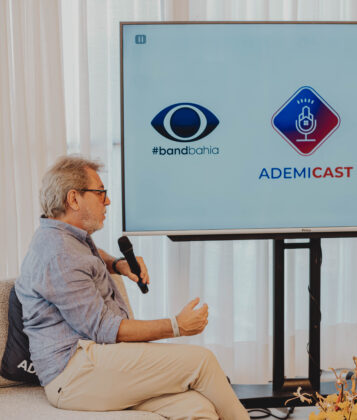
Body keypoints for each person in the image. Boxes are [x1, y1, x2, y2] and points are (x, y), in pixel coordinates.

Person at [15, 155, 250, 420]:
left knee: (195, 408)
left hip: (95, 365)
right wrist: (177, 326)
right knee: (202, 362)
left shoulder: (62, 238)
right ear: (74, 199)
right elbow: (104, 328)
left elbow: (86, 257)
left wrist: (117, 264)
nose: (107, 201)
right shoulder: (59, 253)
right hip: (75, 374)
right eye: (100, 193)